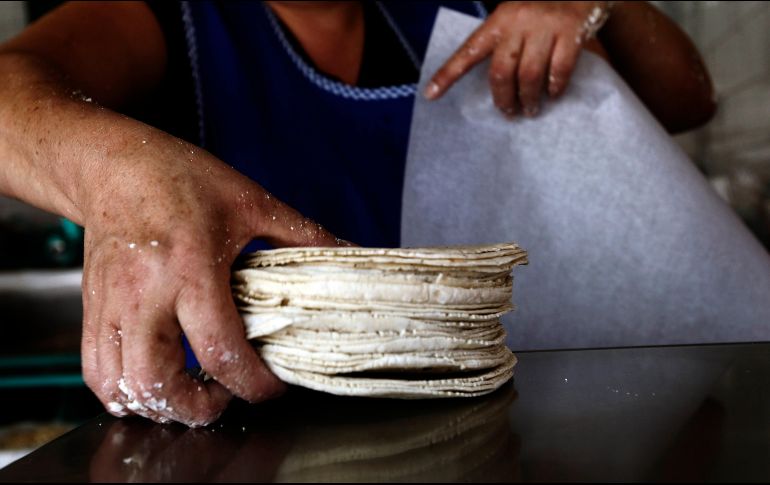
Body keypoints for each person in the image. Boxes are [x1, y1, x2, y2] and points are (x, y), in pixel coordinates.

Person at [0, 1, 715, 426]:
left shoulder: (474, 9)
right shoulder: (164, 19)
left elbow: (686, 99)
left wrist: (598, 3)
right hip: (242, 434)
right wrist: (112, 176)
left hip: (484, 422)